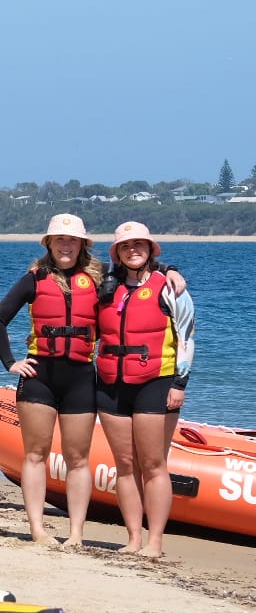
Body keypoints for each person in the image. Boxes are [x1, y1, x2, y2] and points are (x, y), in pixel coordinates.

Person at [0, 213, 100, 548]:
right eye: (60, 239)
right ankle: (37, 528)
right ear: (49, 243)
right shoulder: (34, 279)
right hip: (40, 378)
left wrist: (171, 272)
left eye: (72, 240)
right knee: (35, 454)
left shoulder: (99, 279)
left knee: (78, 458)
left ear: (82, 245)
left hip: (80, 377)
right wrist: (10, 363)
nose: (66, 245)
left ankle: (77, 533)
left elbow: (141, 277)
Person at [95, 222, 195, 559]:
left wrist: (180, 383)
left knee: (153, 464)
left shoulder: (170, 288)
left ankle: (155, 542)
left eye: (140, 244)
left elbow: (187, 338)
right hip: (111, 385)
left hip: (157, 382)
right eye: (126, 246)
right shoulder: (106, 287)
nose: (133, 249)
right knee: (125, 464)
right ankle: (134, 538)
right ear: (118, 253)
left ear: (151, 249)